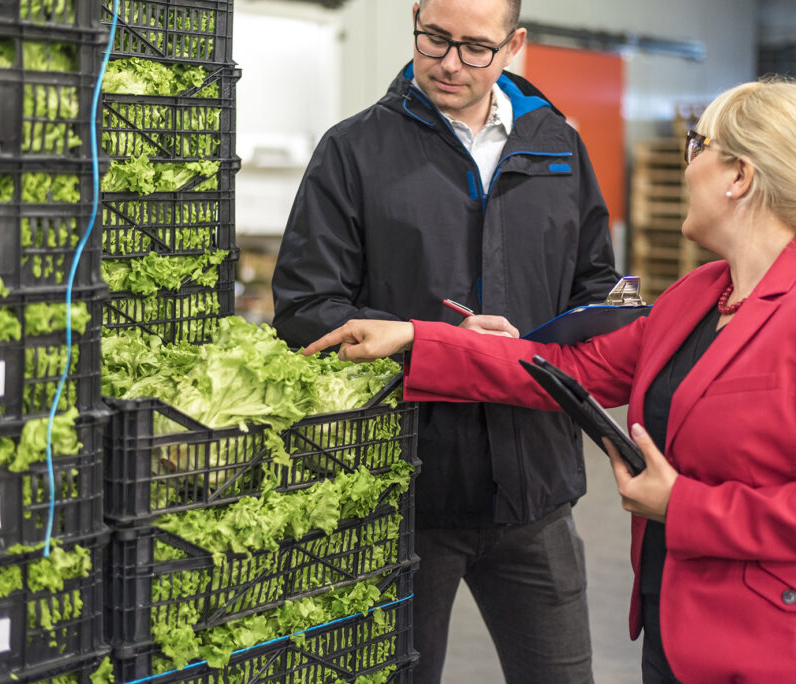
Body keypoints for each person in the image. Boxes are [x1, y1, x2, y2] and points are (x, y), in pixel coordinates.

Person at [302, 79, 796, 684]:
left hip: (775, 646)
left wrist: (684, 506)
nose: (687, 168)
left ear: (740, 176)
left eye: (696, 148)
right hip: (674, 626)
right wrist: (419, 338)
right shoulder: (698, 296)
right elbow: (567, 372)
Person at [271, 0, 620, 681]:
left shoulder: (557, 147)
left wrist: (597, 323)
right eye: (434, 38)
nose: (450, 62)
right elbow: (305, 311)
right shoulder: (355, 151)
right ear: (415, 21)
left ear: (514, 44)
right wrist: (436, 340)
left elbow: (595, 284)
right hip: (404, 492)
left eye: (475, 47)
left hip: (536, 491)